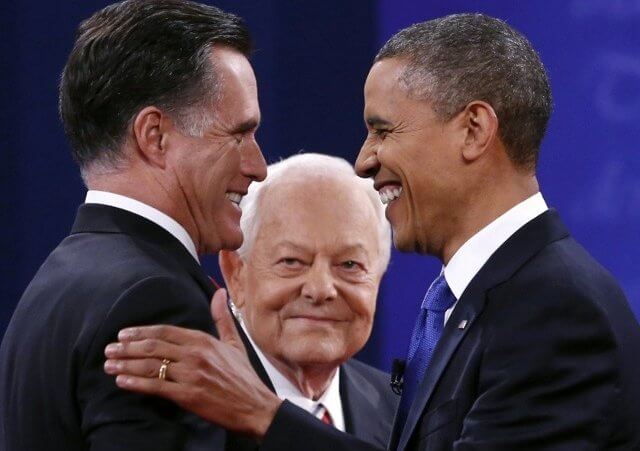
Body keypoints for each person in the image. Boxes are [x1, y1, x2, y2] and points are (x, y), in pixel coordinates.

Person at [102, 13, 640, 451]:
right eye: (291, 261)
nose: (363, 161)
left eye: (383, 130)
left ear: (474, 130)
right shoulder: (489, 297)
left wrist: (263, 414)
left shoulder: (554, 308)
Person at [0, 1, 267, 450]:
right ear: (155, 136)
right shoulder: (155, 300)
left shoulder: (57, 281)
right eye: (238, 134)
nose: (258, 166)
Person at [206, 153, 396, 447]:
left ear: (379, 279)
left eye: (349, 265)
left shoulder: (404, 412)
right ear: (236, 274)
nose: (320, 289)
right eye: (292, 261)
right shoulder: (188, 410)